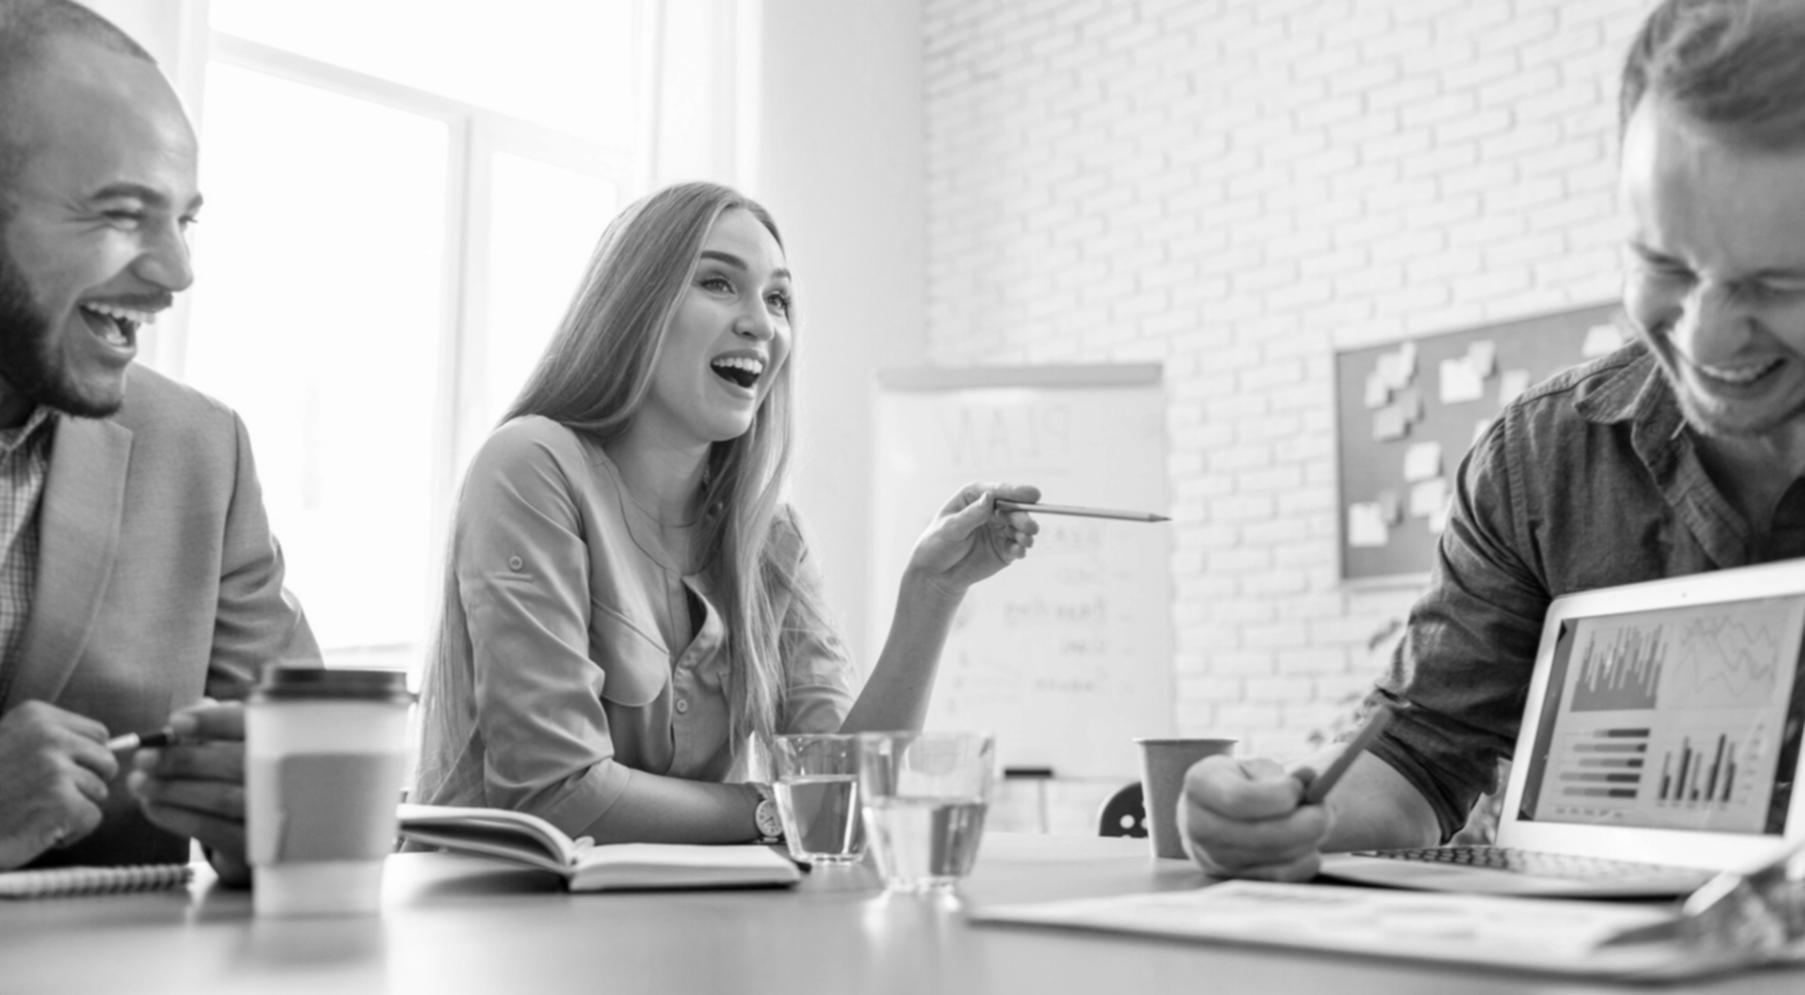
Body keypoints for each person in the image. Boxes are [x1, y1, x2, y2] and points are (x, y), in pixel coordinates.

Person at [1182, 0, 1805, 880]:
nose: (1702, 342)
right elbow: (1420, 751)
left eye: (1777, 284)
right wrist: (1285, 812)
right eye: (1662, 267)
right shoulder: (1545, 459)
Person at [412, 181, 1040, 843]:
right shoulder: (531, 465)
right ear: (634, 306)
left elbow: (844, 801)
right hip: (496, 926)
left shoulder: (771, 536)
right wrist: (776, 811)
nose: (761, 323)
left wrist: (932, 592)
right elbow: (555, 793)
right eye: (717, 283)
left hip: (677, 931)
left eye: (778, 298)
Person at [0, 0, 317, 883]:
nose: (177, 272)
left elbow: (317, 787)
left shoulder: (201, 453)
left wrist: (276, 816)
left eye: (185, 220)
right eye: (123, 213)